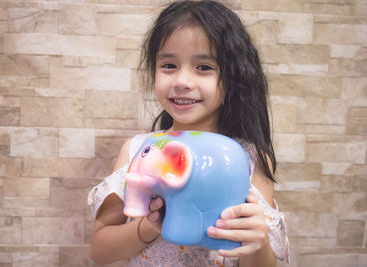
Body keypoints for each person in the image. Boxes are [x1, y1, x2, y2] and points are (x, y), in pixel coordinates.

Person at [87, 1, 290, 266]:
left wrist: (256, 242)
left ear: (234, 78)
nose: (182, 81)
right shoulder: (139, 151)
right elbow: (100, 251)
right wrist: (149, 227)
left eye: (204, 67)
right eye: (169, 65)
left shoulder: (250, 159)